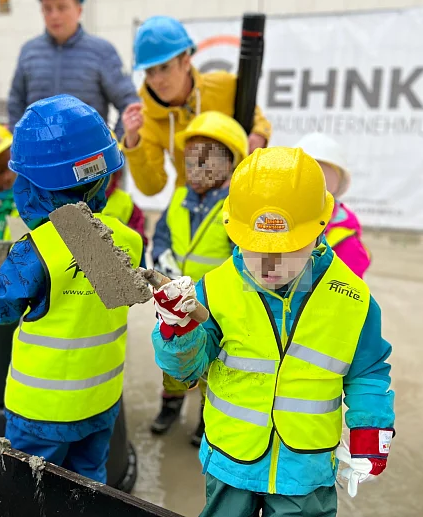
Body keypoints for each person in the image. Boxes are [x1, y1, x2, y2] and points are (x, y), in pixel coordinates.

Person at [150, 147, 395, 516]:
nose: (269, 263)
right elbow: (187, 370)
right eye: (256, 247)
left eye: (286, 249)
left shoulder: (351, 300)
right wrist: (178, 330)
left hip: (305, 470)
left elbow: (368, 373)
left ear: (319, 228)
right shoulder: (216, 289)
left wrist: (370, 433)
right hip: (231, 460)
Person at [0, 95, 144, 484]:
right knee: (88, 488)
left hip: (42, 414)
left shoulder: (38, 249)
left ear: (35, 185)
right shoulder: (126, 241)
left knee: (33, 494)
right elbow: (95, 280)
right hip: (99, 403)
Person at [149, 111, 247, 445]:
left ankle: (207, 417)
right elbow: (161, 235)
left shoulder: (236, 207)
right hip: (175, 302)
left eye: (206, 163)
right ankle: (171, 405)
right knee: (174, 358)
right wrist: (163, 260)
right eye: (191, 163)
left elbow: (243, 258)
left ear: (231, 165)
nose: (196, 170)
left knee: (212, 366)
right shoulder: (178, 198)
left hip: (214, 307)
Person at [120, 15, 272, 196]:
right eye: (150, 71)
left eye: (164, 67)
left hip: (237, 194)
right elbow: (152, 187)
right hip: (191, 207)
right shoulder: (146, 118)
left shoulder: (224, 86)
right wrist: (132, 142)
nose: (157, 80)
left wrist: (259, 135)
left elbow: (257, 119)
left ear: (185, 61)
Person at [7, 0, 139, 137]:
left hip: (89, 159)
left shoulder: (101, 52)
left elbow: (129, 104)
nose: (54, 15)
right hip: (41, 160)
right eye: (47, 8)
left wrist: (115, 146)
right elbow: (15, 105)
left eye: (62, 7)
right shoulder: (29, 53)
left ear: (78, 9)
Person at [297, 133, 371, 278]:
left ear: (339, 183)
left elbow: (349, 288)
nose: (316, 181)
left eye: (324, 173)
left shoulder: (346, 237)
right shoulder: (275, 216)